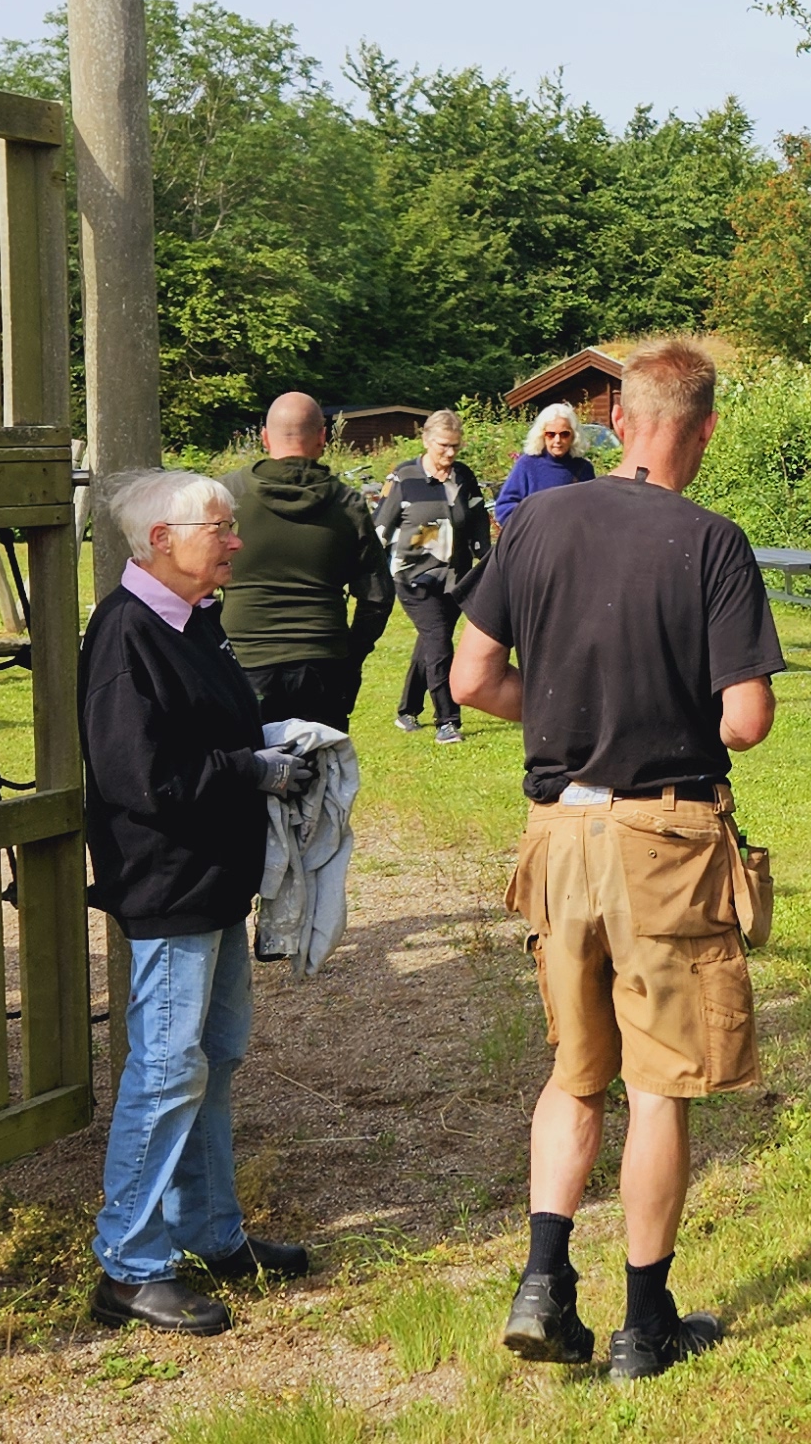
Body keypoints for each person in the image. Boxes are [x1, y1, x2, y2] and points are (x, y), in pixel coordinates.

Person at [450, 340, 784, 1383]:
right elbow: (745, 721)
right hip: (664, 840)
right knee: (658, 1087)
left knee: (573, 1074)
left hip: (558, 835)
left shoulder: (535, 519)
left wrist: (554, 714)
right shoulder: (714, 543)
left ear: (614, 421)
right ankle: (645, 1325)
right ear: (706, 429)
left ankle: (544, 1280)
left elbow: (469, 678)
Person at [79, 468, 321, 1336]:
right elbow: (138, 778)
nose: (234, 542)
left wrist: (273, 745)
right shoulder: (127, 636)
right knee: (168, 1070)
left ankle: (213, 1235)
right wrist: (248, 769)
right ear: (160, 543)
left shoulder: (193, 623)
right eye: (218, 528)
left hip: (214, 882)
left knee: (212, 1061)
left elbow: (205, 736)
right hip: (169, 885)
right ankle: (130, 1266)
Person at [217, 393, 393, 731]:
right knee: (320, 775)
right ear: (323, 437)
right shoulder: (347, 504)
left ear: (265, 437)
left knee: (244, 771)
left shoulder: (226, 496)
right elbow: (377, 596)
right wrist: (352, 654)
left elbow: (193, 582)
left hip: (240, 659)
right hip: (323, 661)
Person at [375, 410, 490, 745]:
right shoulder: (404, 477)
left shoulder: (464, 477)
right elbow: (379, 528)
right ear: (426, 441)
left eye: (455, 446)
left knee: (429, 643)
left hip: (455, 579)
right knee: (439, 643)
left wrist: (492, 561)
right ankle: (447, 722)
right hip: (414, 579)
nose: (450, 453)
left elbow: (478, 524)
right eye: (443, 446)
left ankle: (407, 710)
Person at [493, 402, 595, 527]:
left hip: (572, 542)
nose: (557, 440)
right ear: (542, 435)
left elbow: (592, 511)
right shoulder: (527, 465)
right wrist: (531, 526)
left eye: (564, 434)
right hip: (535, 541)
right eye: (551, 434)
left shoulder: (583, 468)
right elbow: (504, 507)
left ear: (573, 435)